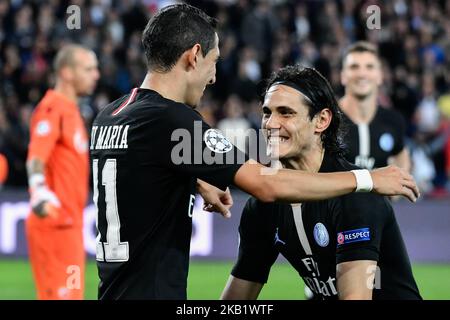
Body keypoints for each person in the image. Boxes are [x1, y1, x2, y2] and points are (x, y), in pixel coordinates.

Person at [90, 4, 418, 300]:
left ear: (322, 121)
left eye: (286, 113)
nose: (214, 76)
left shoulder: (110, 115)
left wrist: (190, 181)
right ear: (193, 56)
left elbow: (138, 174)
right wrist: (367, 178)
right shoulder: (174, 120)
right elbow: (265, 184)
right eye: (213, 61)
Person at [220, 66, 421, 300]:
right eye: (267, 112)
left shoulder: (357, 195)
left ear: (322, 120)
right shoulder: (263, 205)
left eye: (286, 113)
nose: (270, 124)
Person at [25, 45, 99, 300]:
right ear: (66, 73)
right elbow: (36, 158)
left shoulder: (72, 111)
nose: (96, 75)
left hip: (70, 225)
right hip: (54, 225)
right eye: (88, 69)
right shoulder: (52, 109)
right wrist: (39, 194)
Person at [339, 41, 411, 171]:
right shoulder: (325, 120)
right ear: (343, 76)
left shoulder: (394, 121)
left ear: (380, 76)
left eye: (369, 67)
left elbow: (402, 169)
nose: (362, 74)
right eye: (354, 67)